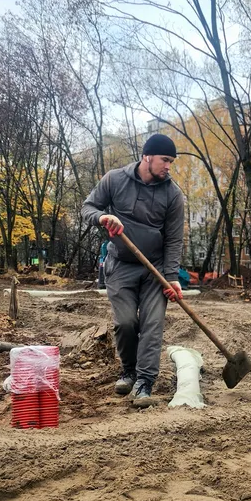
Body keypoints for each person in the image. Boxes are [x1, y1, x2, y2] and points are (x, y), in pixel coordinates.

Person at [80, 134, 185, 400]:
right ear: (147, 157)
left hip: (155, 270)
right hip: (120, 264)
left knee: (152, 324)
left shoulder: (173, 194)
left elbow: (174, 239)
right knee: (125, 323)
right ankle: (129, 372)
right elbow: (87, 208)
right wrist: (103, 217)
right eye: (165, 159)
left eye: (171, 161)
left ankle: (145, 382)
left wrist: (171, 278)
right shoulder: (114, 179)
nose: (168, 166)